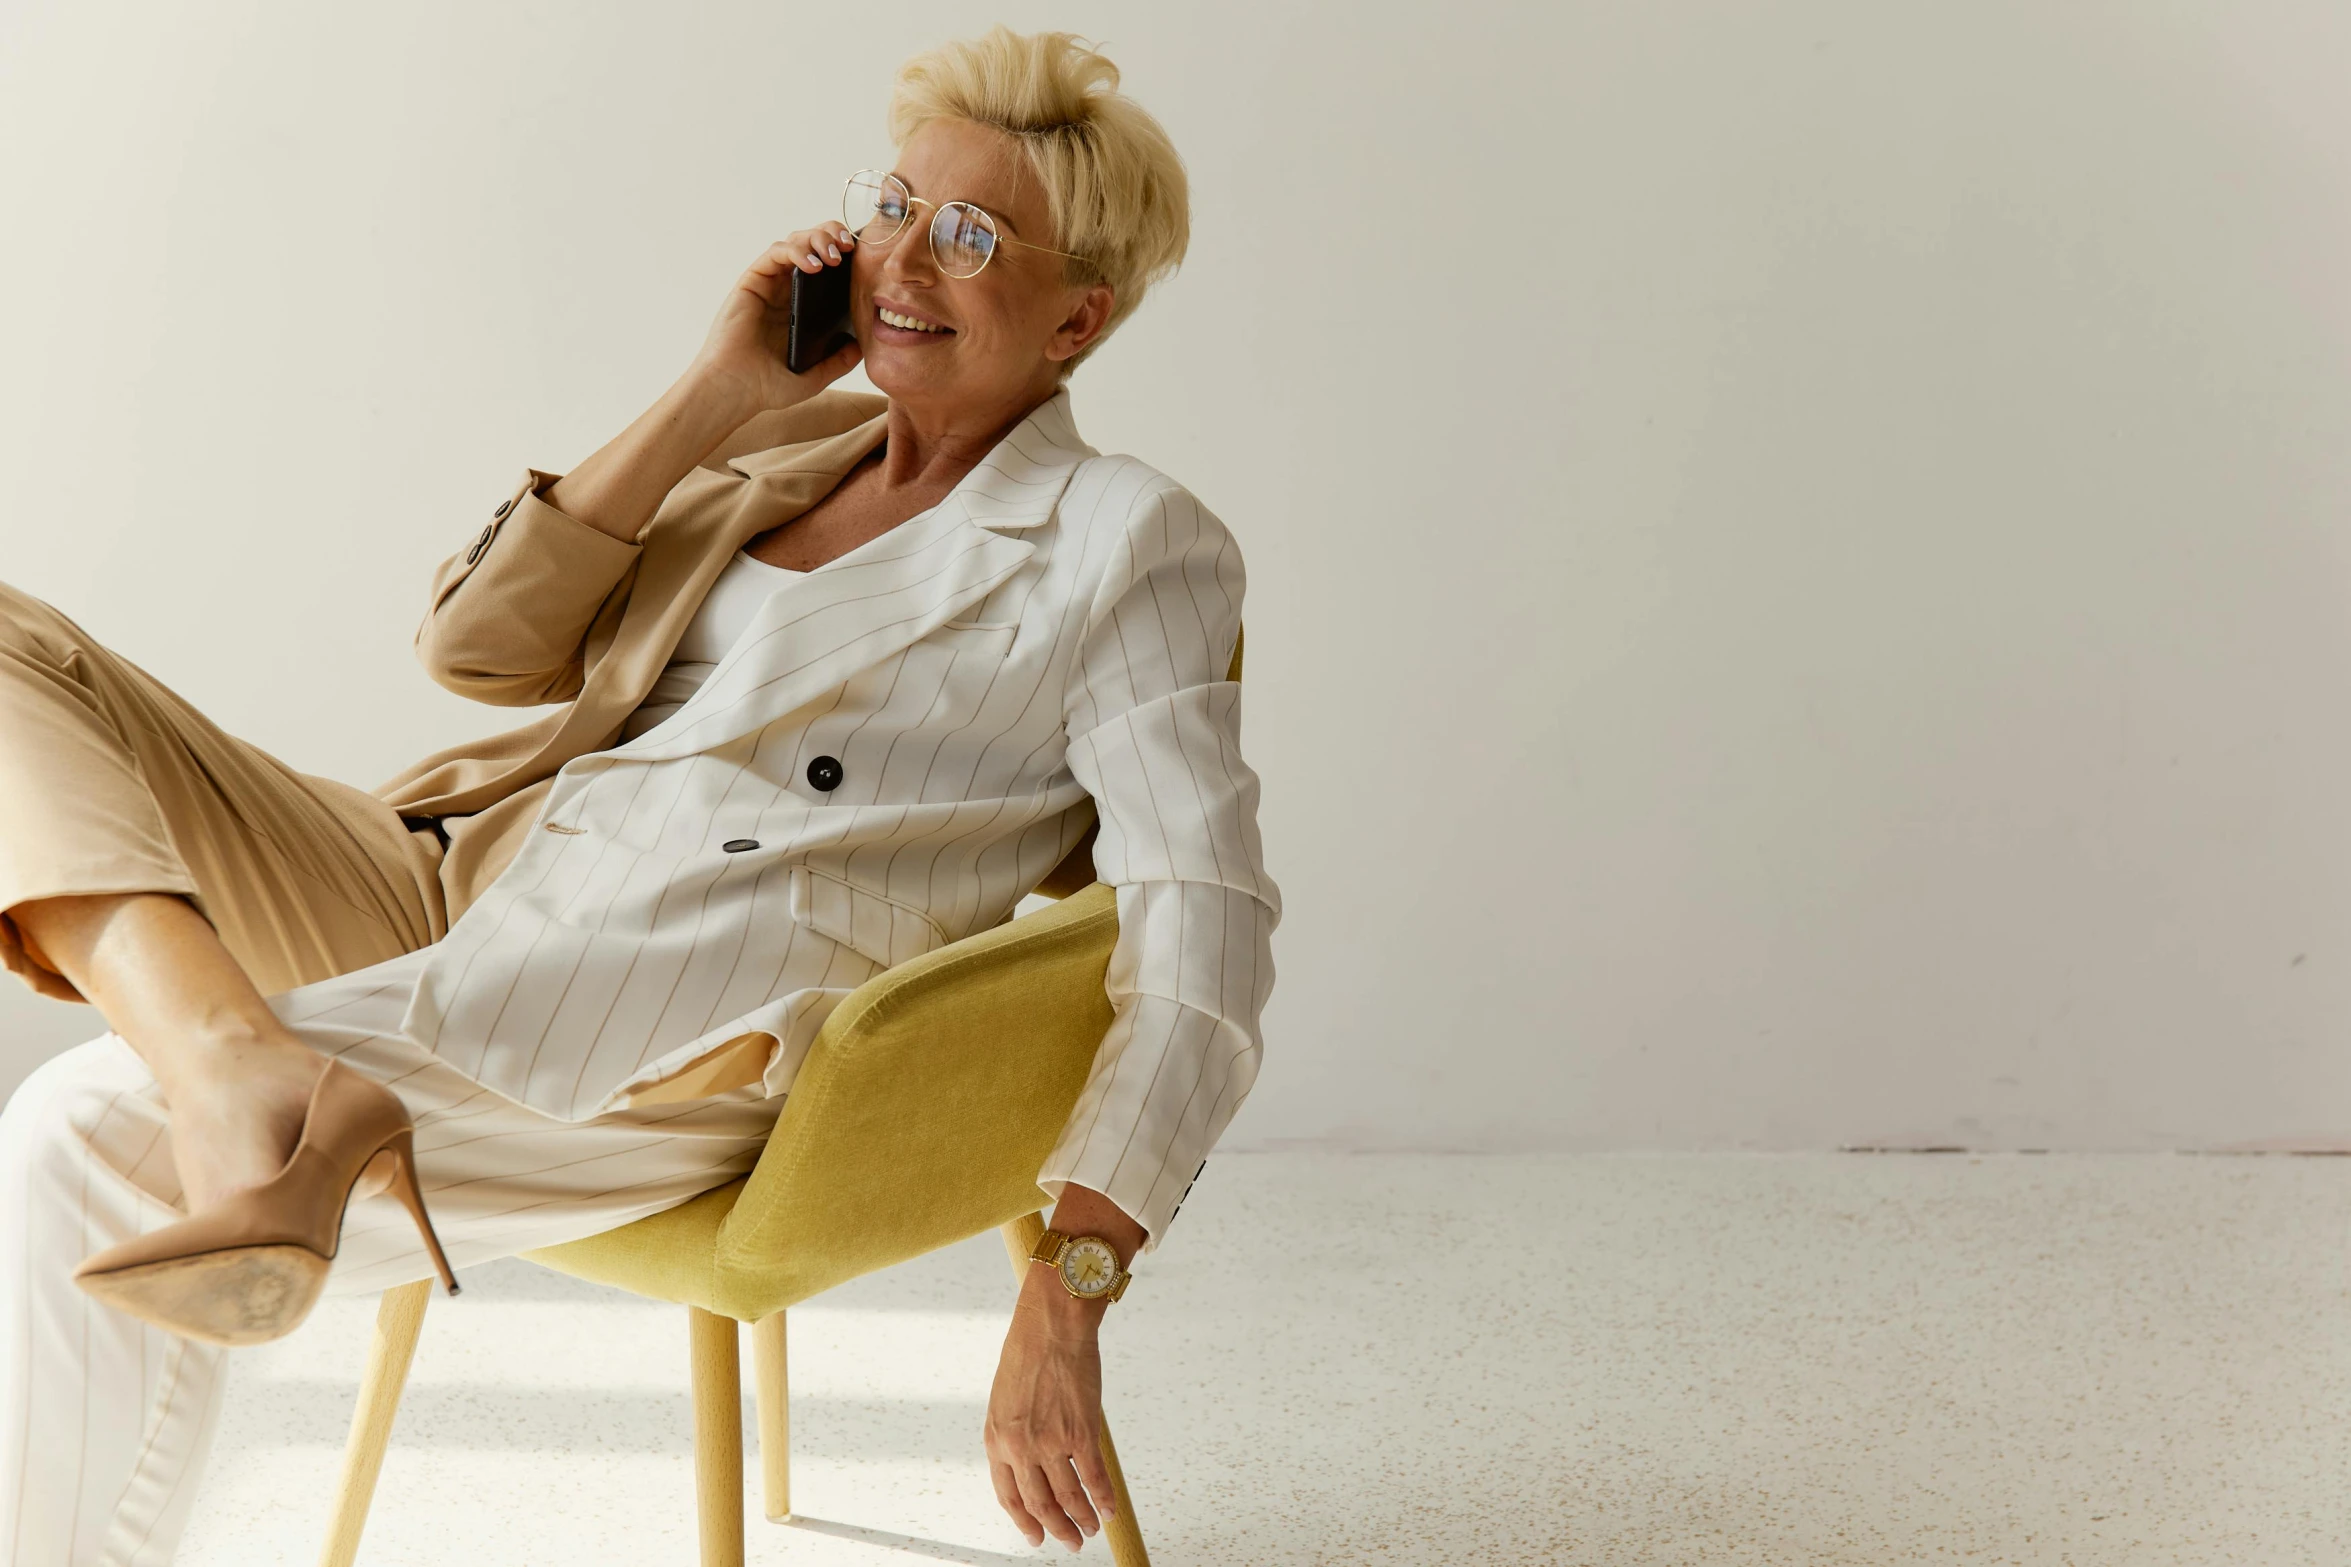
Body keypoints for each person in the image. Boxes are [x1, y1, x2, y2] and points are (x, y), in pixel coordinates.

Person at [0, 27, 1275, 1562]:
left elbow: (1202, 930)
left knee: (77, 1127)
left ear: (1080, 315)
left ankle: (222, 1105)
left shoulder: (1123, 537)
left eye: (968, 234)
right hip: (468, 872)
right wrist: (715, 390)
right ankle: (230, 1051)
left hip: (675, 998)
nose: (901, 260)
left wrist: (1067, 1292)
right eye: (891, 204)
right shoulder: (788, 440)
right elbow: (471, 652)